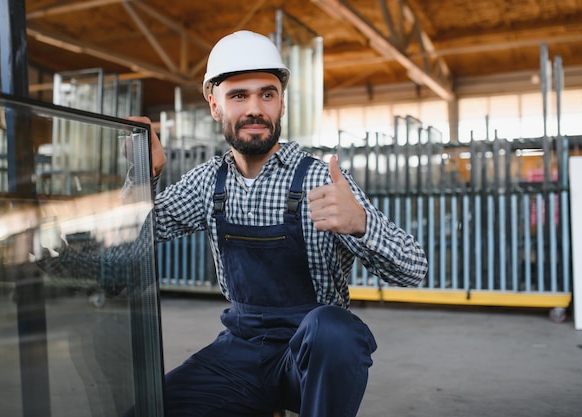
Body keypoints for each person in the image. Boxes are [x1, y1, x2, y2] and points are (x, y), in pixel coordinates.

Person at [124, 30, 428, 417]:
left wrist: (362, 224)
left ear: (281, 104)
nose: (255, 109)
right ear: (215, 106)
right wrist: (141, 178)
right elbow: (132, 238)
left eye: (267, 94)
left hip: (309, 362)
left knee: (334, 329)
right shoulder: (206, 182)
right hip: (240, 352)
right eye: (239, 96)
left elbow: (413, 269)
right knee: (146, 411)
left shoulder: (321, 179)